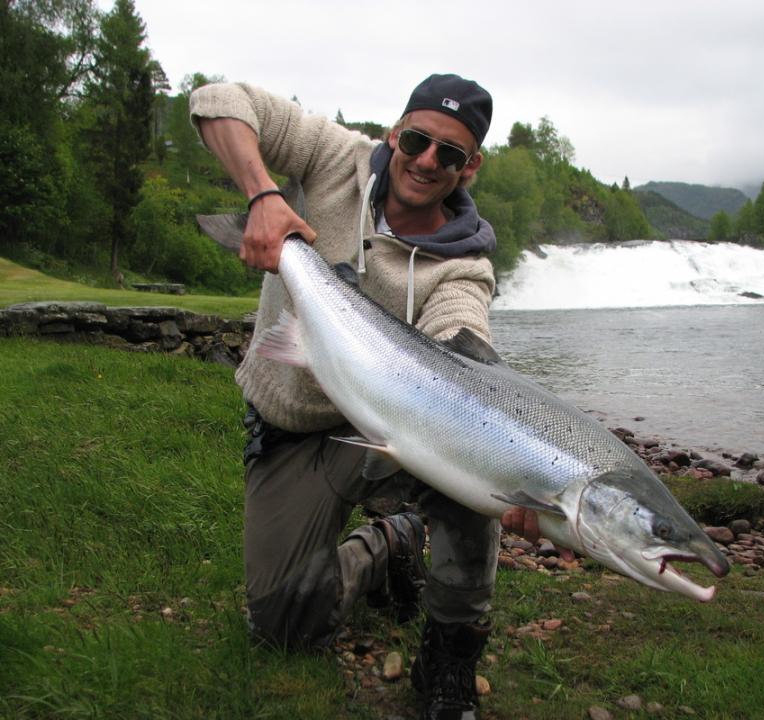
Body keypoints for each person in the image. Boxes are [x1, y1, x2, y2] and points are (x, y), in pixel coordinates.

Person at [191, 73, 545, 720]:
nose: (428, 160)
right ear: (395, 133)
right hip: (294, 427)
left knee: (480, 479)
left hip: (393, 427)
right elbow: (217, 100)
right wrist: (263, 195)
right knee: (284, 626)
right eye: (417, 139)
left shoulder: (464, 266)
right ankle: (392, 544)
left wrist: (520, 468)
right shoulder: (332, 158)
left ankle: (450, 655)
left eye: (451, 154)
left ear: (471, 169)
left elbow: (463, 342)